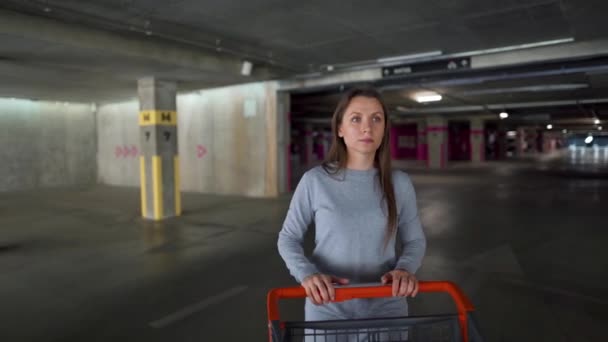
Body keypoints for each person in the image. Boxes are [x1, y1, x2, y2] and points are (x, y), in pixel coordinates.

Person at [277, 87, 427, 339]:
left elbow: (415, 240)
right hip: (328, 307)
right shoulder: (315, 180)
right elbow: (288, 238)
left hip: (386, 306)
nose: (367, 127)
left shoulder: (399, 183)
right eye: (356, 118)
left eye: (376, 119)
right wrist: (308, 274)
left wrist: (405, 269)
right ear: (340, 129)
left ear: (384, 129)